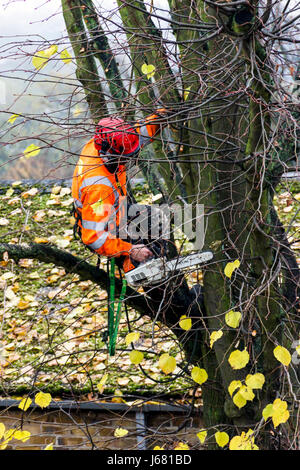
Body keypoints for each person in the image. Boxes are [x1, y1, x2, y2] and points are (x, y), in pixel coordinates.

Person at [71, 110, 169, 273]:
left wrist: (162, 115)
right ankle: (133, 267)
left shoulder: (110, 141)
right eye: (123, 157)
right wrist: (130, 249)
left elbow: (140, 134)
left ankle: (156, 262)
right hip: (100, 224)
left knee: (155, 218)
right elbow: (93, 238)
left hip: (114, 210)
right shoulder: (99, 187)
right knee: (138, 239)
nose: (127, 160)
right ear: (108, 154)